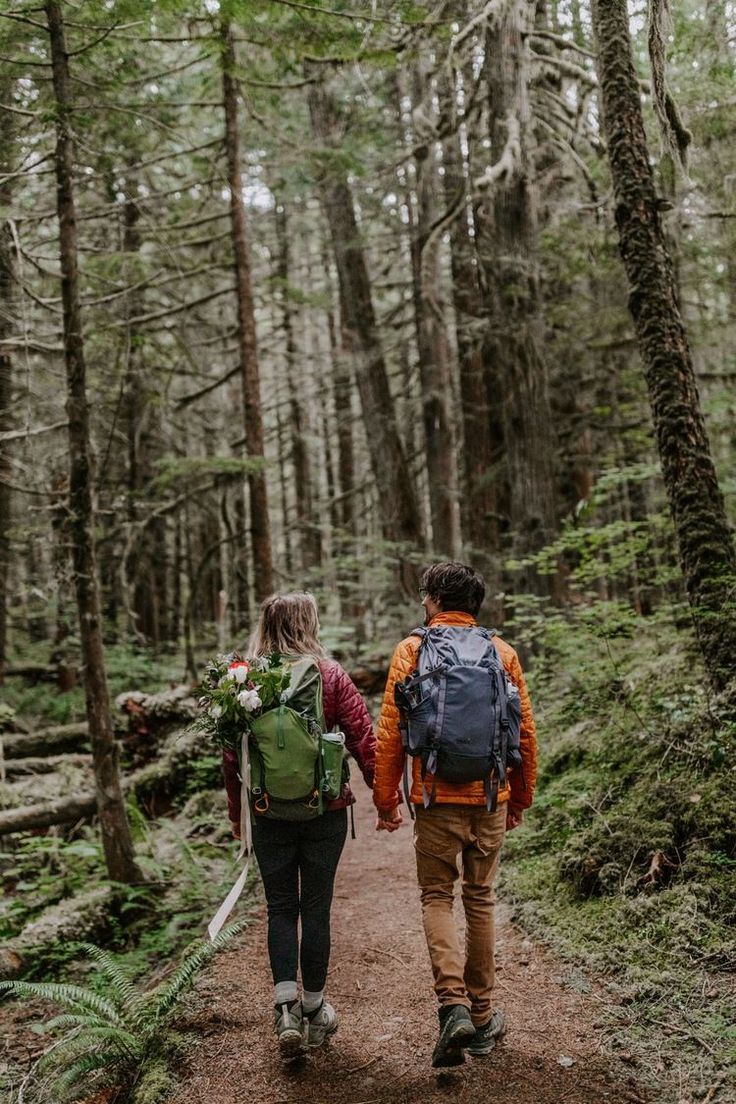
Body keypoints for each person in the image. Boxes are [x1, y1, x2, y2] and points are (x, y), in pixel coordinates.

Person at [373, 562, 537, 1068]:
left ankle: (454, 1007)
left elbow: (390, 733)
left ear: (436, 600)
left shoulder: (412, 650)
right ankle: (483, 1016)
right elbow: (525, 734)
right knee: (481, 898)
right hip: (490, 796)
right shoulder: (502, 652)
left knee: (437, 896)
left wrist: (386, 801)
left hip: (436, 798)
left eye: (426, 595)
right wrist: (521, 798)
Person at [222, 592, 375, 1058]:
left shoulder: (244, 679)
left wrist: (237, 815)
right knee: (316, 907)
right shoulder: (330, 675)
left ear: (265, 625)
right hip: (324, 809)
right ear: (309, 623)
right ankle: (313, 1012)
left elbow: (232, 757)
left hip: (267, 811)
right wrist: (384, 796)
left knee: (281, 907)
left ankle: (284, 1008)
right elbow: (363, 736)